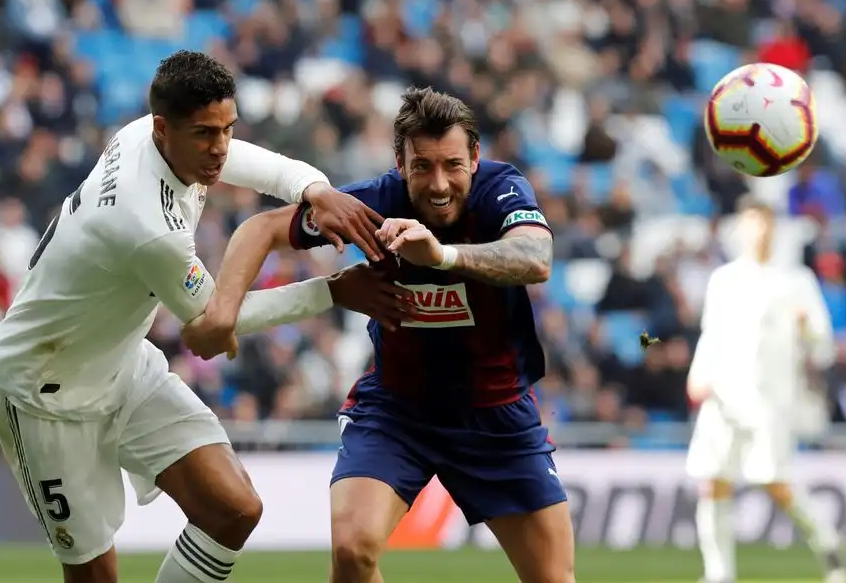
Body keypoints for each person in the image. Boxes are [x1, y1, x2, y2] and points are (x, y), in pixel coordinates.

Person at [0, 50, 405, 583]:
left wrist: (316, 189)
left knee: (234, 509)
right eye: (205, 133)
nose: (220, 147)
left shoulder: (152, 136)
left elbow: (256, 164)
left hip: (120, 362)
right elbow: (214, 323)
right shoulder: (147, 225)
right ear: (164, 128)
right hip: (42, 391)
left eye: (227, 128)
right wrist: (333, 292)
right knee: (94, 575)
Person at [184, 87, 575, 583]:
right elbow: (261, 229)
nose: (439, 184)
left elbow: (536, 258)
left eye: (453, 165)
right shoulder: (373, 205)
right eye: (422, 166)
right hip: (397, 412)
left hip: (496, 416)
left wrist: (442, 256)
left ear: (475, 158)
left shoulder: (501, 189)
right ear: (399, 163)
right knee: (351, 551)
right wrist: (223, 312)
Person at [686, 197, 846, 583]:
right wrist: (697, 374)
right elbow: (711, 334)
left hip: (770, 399)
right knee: (713, 479)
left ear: (774, 229)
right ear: (740, 229)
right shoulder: (723, 279)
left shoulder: (795, 281)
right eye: (751, 223)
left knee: (774, 481)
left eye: (764, 223)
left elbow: (823, 349)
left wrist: (806, 327)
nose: (757, 231)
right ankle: (719, 574)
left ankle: (825, 538)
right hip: (722, 393)